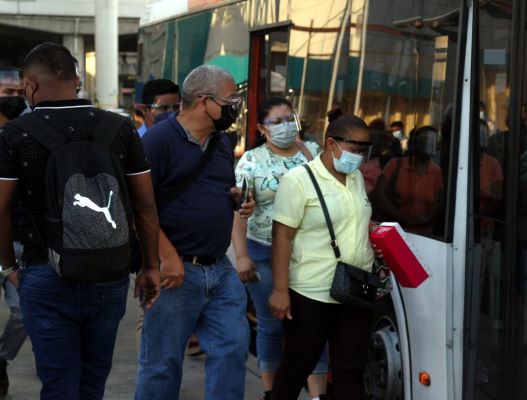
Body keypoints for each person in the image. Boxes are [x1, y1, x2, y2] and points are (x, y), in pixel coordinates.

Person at [0, 42, 161, 399]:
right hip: (111, 271)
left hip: (44, 271)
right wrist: (150, 266)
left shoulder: (14, 136)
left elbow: (0, 211)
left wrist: (8, 266)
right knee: (93, 382)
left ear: (29, 84)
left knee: (59, 384)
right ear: (76, 80)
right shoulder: (120, 129)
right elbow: (146, 206)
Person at [135, 65, 254, 400]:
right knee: (161, 365)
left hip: (219, 269)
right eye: (231, 100)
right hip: (175, 273)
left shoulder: (220, 142)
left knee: (232, 350)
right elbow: (136, 207)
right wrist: (166, 255)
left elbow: (217, 187)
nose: (236, 107)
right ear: (205, 102)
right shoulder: (157, 142)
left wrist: (236, 200)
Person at [268, 110, 375, 399]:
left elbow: (353, 220)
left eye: (364, 150)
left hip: (355, 290)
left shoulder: (355, 179)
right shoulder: (298, 181)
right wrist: (280, 290)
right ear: (331, 144)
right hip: (311, 292)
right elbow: (282, 237)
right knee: (296, 366)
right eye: (355, 149)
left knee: (350, 371)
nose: (360, 156)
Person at [233, 97, 328, 400]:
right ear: (262, 128)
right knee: (272, 325)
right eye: (277, 121)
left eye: (290, 118)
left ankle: (318, 396)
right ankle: (271, 392)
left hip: (311, 254)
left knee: (313, 325)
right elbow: (238, 209)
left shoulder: (312, 152)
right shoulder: (251, 160)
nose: (286, 126)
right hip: (264, 252)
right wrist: (242, 256)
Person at [0, 67, 28, 397]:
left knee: (24, 314)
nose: (16, 101)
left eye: (20, 94)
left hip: (19, 242)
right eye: (9, 94)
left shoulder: (27, 135)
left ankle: (2, 358)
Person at [372, 126, 444, 235]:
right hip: (395, 230)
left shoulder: (437, 171)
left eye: (431, 141)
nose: (427, 144)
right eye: (424, 139)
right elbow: (378, 194)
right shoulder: (394, 164)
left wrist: (423, 219)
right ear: (415, 142)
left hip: (426, 235)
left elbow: (438, 204)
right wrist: (400, 217)